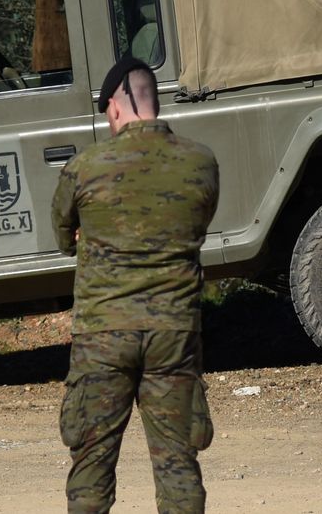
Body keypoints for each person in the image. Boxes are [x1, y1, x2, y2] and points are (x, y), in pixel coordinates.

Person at [51, 56, 220, 514]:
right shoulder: (200, 162)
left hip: (102, 335)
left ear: (114, 108)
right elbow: (198, 226)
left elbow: (63, 237)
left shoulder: (84, 167)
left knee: (91, 463)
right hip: (174, 332)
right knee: (178, 461)